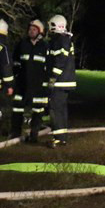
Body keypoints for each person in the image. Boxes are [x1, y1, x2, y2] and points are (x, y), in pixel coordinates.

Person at [12, 19, 50, 142]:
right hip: (22, 83)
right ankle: (15, 134)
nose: (31, 31)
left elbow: (48, 66)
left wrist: (47, 84)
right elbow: (15, 62)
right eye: (30, 29)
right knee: (17, 109)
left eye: (34, 29)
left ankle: (34, 136)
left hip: (39, 85)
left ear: (40, 32)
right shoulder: (22, 44)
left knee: (38, 111)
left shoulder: (45, 47)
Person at [44, 14, 77, 147]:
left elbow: (60, 62)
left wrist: (52, 78)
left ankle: (58, 137)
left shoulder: (59, 40)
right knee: (61, 109)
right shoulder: (66, 39)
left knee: (55, 109)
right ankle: (62, 136)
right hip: (66, 81)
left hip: (59, 82)